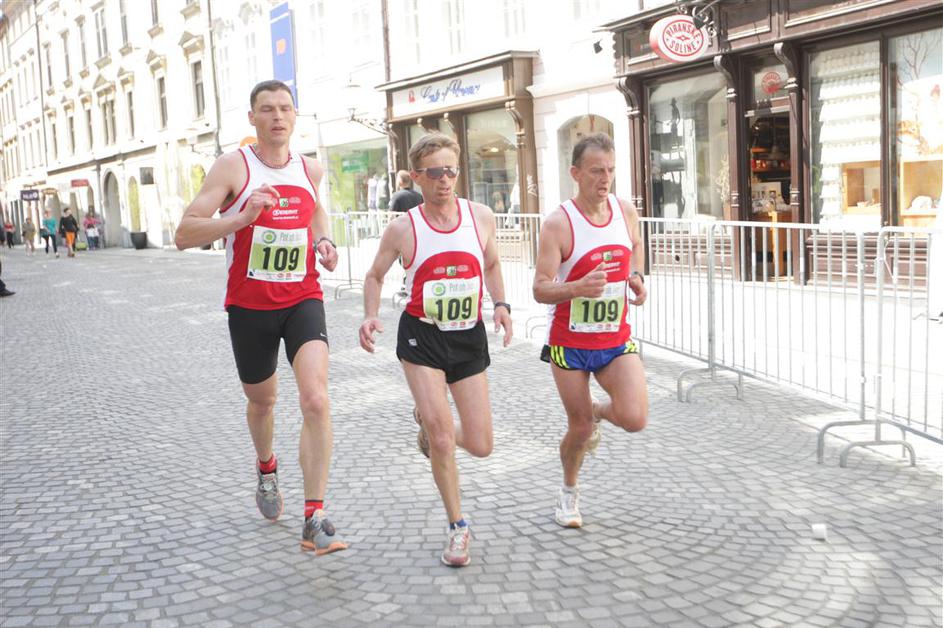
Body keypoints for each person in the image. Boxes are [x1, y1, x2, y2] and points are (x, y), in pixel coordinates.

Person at [174, 79, 347, 556]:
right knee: (263, 401)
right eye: (267, 109)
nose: (277, 116)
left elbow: (316, 213)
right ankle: (266, 466)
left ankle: (314, 516)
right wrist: (241, 218)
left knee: (316, 399)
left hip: (302, 296)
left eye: (285, 108)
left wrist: (324, 241)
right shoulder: (233, 166)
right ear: (252, 118)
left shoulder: (309, 168)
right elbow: (184, 234)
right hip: (249, 306)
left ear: (295, 116)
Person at [359, 133, 513, 567]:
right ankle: (457, 527)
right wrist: (370, 315)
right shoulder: (403, 228)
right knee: (445, 439)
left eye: (451, 170)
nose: (444, 180)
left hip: (467, 335)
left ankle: (429, 426)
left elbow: (492, 264)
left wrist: (501, 305)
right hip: (421, 337)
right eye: (435, 172)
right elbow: (374, 275)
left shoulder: (480, 217)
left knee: (480, 444)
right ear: (417, 177)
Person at [532, 132, 648, 529]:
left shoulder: (625, 211)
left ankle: (598, 410)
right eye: (597, 170)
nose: (605, 178)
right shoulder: (558, 224)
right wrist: (576, 288)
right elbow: (539, 288)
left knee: (634, 417)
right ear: (575, 173)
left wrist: (636, 277)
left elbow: (635, 246)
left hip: (614, 337)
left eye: (611, 170)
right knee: (579, 428)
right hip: (569, 343)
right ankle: (569, 491)